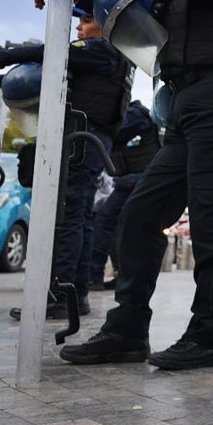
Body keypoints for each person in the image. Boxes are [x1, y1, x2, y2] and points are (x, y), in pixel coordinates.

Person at [43, 0, 213, 370]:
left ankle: (209, 334)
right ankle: (126, 330)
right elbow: (134, 11)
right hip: (184, 106)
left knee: (211, 218)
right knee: (139, 215)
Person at [0, 7, 133, 319]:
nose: (79, 29)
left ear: (106, 25)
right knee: (80, 218)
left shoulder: (101, 50)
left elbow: (47, 52)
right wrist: (2, 80)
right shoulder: (115, 57)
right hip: (92, 138)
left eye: (86, 22)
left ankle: (59, 295)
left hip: (80, 138)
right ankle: (75, 295)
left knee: (67, 216)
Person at [87, 100, 160, 290]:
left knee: (104, 224)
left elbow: (116, 131)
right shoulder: (140, 115)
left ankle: (94, 275)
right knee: (120, 228)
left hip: (134, 180)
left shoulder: (136, 114)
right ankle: (122, 276)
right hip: (134, 180)